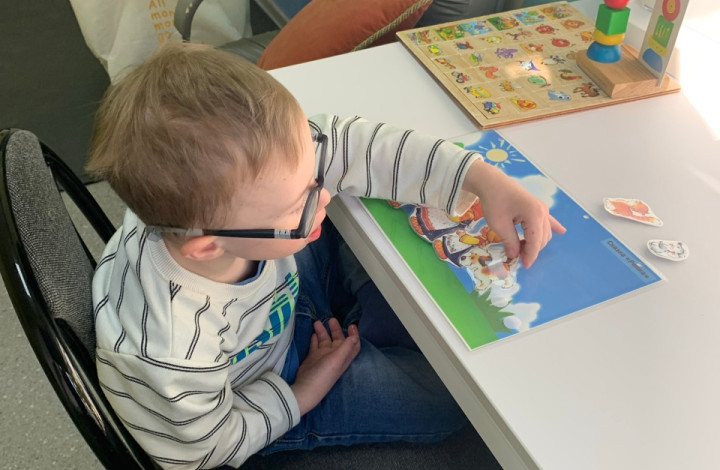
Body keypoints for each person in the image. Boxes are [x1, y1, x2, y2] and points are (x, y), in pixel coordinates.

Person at [87, 41, 565, 469]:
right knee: (448, 399)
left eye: (314, 178)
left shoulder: (231, 197)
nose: (324, 195)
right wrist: (302, 392)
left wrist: (480, 178)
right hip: (260, 386)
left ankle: (367, 322)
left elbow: (349, 144)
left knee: (359, 217)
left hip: (271, 305)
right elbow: (204, 449)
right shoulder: (172, 351)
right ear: (209, 246)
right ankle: (364, 332)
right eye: (298, 204)